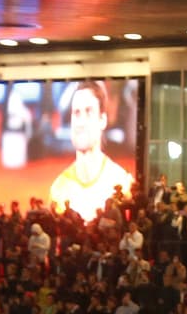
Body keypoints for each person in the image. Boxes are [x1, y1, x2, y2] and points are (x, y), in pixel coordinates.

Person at [48, 82, 132, 222]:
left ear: (102, 120)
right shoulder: (58, 189)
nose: (81, 123)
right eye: (76, 113)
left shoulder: (122, 183)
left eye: (89, 112)